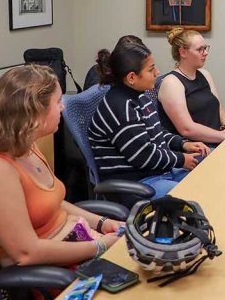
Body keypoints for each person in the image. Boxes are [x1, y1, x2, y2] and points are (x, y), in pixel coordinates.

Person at [0, 65, 123, 270]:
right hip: (53, 274)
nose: (63, 107)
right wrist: (100, 246)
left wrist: (102, 223)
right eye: (57, 102)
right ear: (34, 111)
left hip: (80, 246)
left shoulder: (27, 148)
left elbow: (51, 203)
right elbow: (26, 253)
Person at [89, 41, 209, 198]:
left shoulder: (141, 96)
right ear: (132, 77)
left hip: (159, 172)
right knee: (195, 196)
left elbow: (157, 133)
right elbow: (144, 155)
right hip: (137, 184)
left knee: (208, 179)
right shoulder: (120, 107)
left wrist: (183, 144)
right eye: (151, 69)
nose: (157, 72)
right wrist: (181, 159)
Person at [158, 27, 225, 146]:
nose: (205, 53)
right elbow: (187, 129)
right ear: (183, 52)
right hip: (198, 147)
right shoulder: (171, 83)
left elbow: (219, 107)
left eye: (205, 48)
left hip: (219, 138)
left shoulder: (205, 74)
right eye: (200, 49)